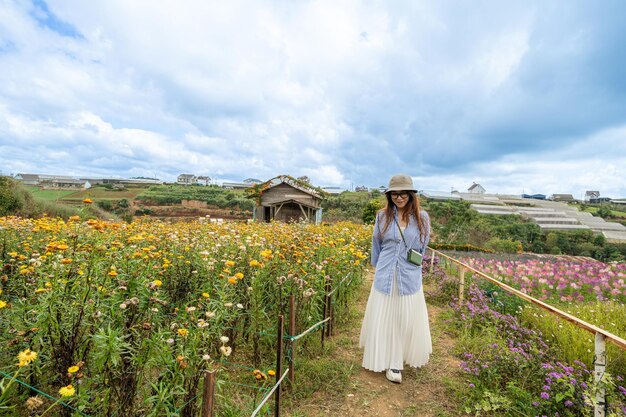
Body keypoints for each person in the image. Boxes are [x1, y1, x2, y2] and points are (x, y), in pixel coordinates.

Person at [359, 173, 432, 383]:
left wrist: (410, 265)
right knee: (384, 317)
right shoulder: (382, 216)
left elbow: (422, 247)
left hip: (409, 276)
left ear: (411, 195)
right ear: (389, 195)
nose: (399, 198)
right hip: (385, 274)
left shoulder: (422, 218)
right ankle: (388, 359)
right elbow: (377, 244)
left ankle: (397, 360)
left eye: (403, 194)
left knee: (403, 318)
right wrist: (378, 267)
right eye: (394, 194)